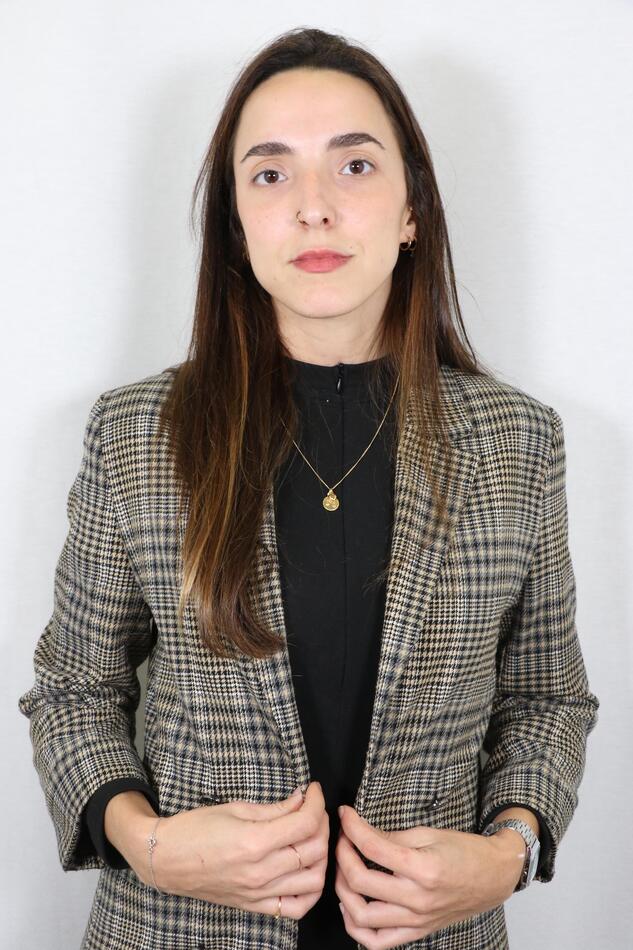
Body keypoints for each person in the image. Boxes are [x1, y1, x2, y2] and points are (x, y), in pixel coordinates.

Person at [18, 26, 599, 950]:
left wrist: (508, 854)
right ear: (235, 225)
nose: (314, 208)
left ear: (411, 211)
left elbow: (546, 702)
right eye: (270, 173)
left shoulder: (518, 442)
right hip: (178, 928)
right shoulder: (137, 433)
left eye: (354, 166)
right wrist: (149, 845)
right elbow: (74, 691)